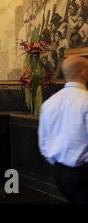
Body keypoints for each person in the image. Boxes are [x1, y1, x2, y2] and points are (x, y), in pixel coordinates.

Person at [38, 56, 88, 204]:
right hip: (84, 173)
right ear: (84, 72)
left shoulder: (49, 103)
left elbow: (44, 143)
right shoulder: (86, 101)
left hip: (59, 173)